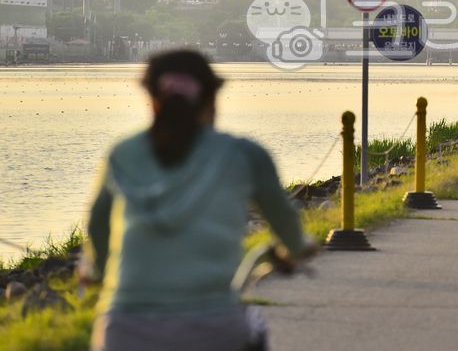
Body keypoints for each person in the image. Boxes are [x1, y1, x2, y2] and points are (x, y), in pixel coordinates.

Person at [81, 49, 315, 351]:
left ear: (151, 101)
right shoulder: (244, 155)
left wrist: (98, 270)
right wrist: (297, 247)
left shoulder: (123, 154)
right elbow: (283, 218)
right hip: (212, 324)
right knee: (253, 330)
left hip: (126, 327)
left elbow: (98, 225)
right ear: (211, 100)